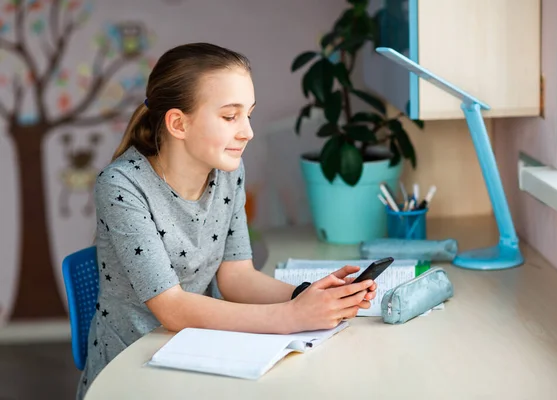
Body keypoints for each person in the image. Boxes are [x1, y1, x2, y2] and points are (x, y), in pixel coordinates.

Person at [76, 42, 376, 399]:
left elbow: (237, 276)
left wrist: (310, 295)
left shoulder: (228, 172)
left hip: (203, 352)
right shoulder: (121, 186)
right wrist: (292, 316)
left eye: (248, 114)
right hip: (135, 366)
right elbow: (172, 307)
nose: (247, 131)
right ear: (178, 123)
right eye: (230, 116)